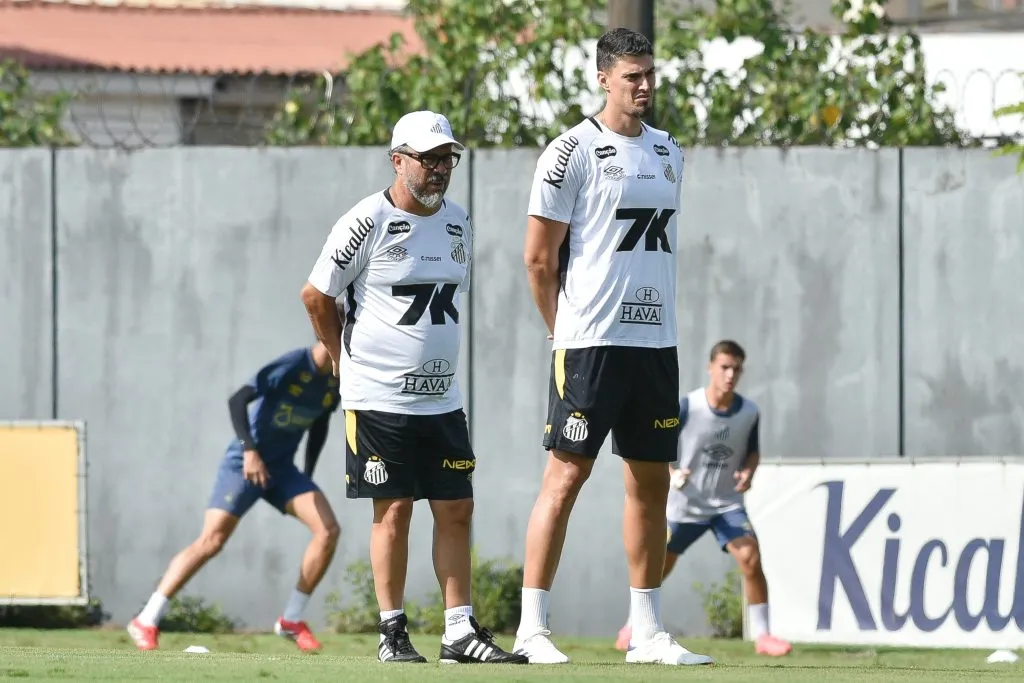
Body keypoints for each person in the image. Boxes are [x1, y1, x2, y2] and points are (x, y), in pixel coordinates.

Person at [513, 27, 713, 666]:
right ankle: (531, 628)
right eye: (633, 76)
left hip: (655, 343)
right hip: (589, 342)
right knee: (566, 476)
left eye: (650, 74)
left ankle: (647, 631)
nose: (645, 85)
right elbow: (538, 260)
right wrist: (560, 331)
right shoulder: (568, 152)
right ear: (603, 78)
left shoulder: (669, 152)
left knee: (651, 481)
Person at [299, 110, 527, 665]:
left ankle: (458, 632)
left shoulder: (459, 222)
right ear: (397, 160)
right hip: (378, 397)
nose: (438, 169)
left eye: (446, 158)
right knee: (394, 508)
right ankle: (392, 630)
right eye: (427, 159)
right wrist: (338, 357)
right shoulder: (367, 220)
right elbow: (316, 294)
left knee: (456, 508)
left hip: (442, 398)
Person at [127, 342, 342, 652]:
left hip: (281, 469)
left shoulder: (339, 378)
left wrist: (307, 473)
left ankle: (291, 620)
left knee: (328, 531)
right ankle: (146, 619)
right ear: (328, 332)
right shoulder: (294, 364)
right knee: (212, 541)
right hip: (244, 463)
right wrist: (250, 451)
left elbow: (320, 424)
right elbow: (237, 399)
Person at [614, 340, 792, 657]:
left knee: (750, 557)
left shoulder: (749, 412)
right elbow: (659, 444)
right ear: (710, 367)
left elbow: (752, 452)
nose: (730, 375)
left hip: (726, 505)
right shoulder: (688, 406)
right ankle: (632, 627)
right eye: (724, 367)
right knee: (656, 567)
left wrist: (748, 472)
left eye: (736, 369)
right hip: (685, 506)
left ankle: (763, 636)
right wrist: (672, 473)